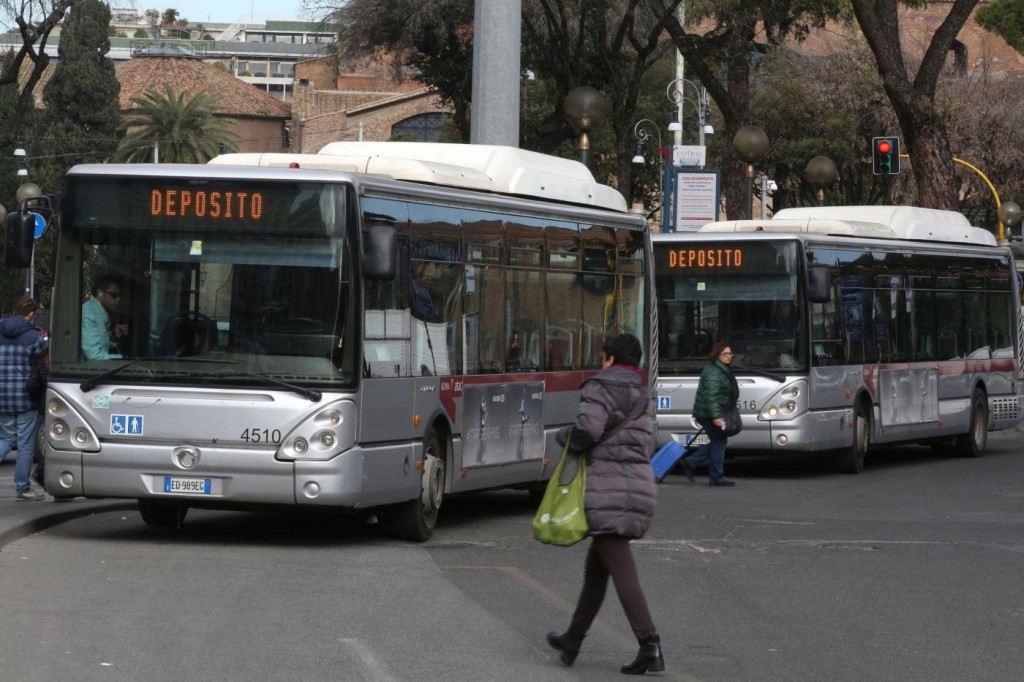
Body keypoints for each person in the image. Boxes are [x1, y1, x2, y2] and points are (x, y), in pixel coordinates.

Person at [546, 333, 664, 675]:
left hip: (608, 487)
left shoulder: (601, 386)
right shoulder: (641, 394)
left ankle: (650, 644)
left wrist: (564, 437)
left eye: (602, 356)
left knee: (622, 569)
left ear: (610, 358)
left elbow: (588, 428)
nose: (601, 362)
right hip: (636, 484)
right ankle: (573, 638)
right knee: (596, 571)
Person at [0, 296, 49, 501]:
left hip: (2, 394)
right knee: (25, 442)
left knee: (6, 438)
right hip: (26, 395)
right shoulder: (34, 336)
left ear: (13, 311)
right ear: (31, 314)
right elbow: (42, 366)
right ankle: (22, 488)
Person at [681, 341, 739, 487]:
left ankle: (691, 463)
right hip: (709, 414)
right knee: (719, 442)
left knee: (717, 442)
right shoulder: (714, 372)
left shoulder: (720, 369)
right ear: (717, 355)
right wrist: (716, 416)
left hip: (711, 412)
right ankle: (715, 477)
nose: (729, 356)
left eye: (730, 353)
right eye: (725, 354)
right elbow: (711, 396)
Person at [82, 274, 128, 360]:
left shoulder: (99, 313)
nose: (118, 299)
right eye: (114, 295)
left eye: (120, 296)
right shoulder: (89, 314)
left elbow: (101, 344)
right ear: (100, 293)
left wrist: (115, 337)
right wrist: (124, 359)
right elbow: (94, 356)